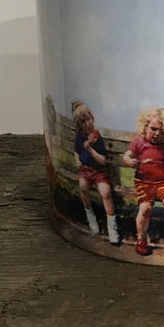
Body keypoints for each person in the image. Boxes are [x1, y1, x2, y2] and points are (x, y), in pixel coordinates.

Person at [123, 107, 164, 256]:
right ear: (145, 126)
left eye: (161, 132)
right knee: (145, 208)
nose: (157, 134)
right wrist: (129, 161)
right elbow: (127, 155)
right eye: (153, 129)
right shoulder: (139, 143)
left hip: (162, 182)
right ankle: (141, 239)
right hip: (144, 183)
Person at [70, 101, 120, 245]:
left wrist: (91, 150)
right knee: (83, 186)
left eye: (88, 119)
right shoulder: (80, 138)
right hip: (86, 170)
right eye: (83, 122)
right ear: (79, 126)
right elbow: (77, 151)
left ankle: (112, 227)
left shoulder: (97, 138)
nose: (87, 123)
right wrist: (78, 160)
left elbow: (103, 161)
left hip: (99, 171)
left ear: (92, 118)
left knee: (105, 191)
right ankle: (91, 218)